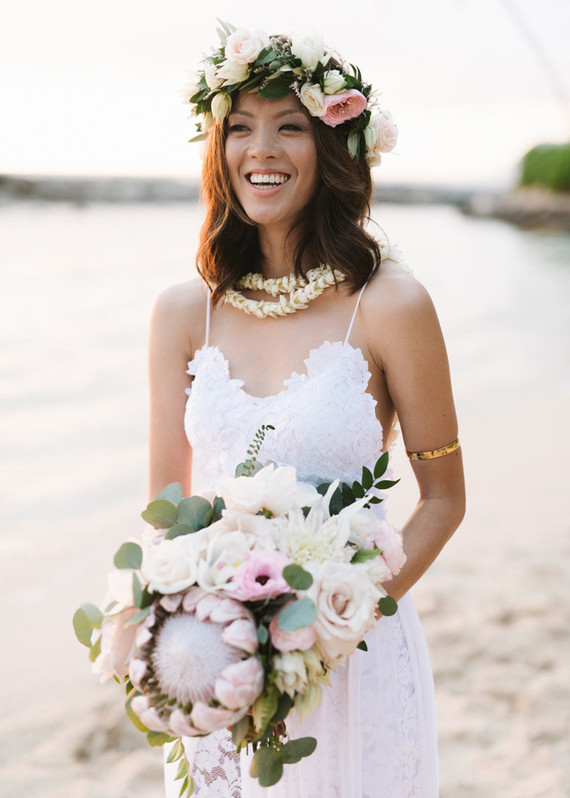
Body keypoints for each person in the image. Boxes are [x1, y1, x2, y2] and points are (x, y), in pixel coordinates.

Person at [150, 23, 465, 798]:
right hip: (221, 658)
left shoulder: (391, 305)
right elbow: (167, 506)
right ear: (218, 147)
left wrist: (337, 624)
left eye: (289, 126)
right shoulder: (183, 312)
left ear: (332, 149)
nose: (261, 150)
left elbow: (443, 498)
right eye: (240, 127)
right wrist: (179, 630)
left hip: (352, 654)